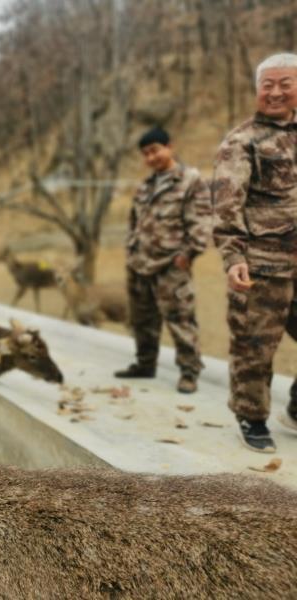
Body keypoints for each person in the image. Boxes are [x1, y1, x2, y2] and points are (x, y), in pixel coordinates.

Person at [213, 53, 297, 453]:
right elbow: (227, 205)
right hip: (262, 267)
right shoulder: (241, 141)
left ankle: (295, 409)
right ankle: (252, 417)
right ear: (257, 90)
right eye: (268, 85)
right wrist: (234, 258)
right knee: (254, 348)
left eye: (285, 83)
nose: (276, 92)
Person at [114, 126, 212, 394]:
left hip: (171, 265)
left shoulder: (190, 180)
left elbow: (201, 222)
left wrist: (188, 254)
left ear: (170, 147)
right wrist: (131, 252)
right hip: (140, 264)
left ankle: (189, 372)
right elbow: (134, 223)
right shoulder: (145, 186)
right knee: (141, 320)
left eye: (155, 150)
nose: (151, 158)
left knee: (181, 320)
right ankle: (145, 364)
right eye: (146, 154)